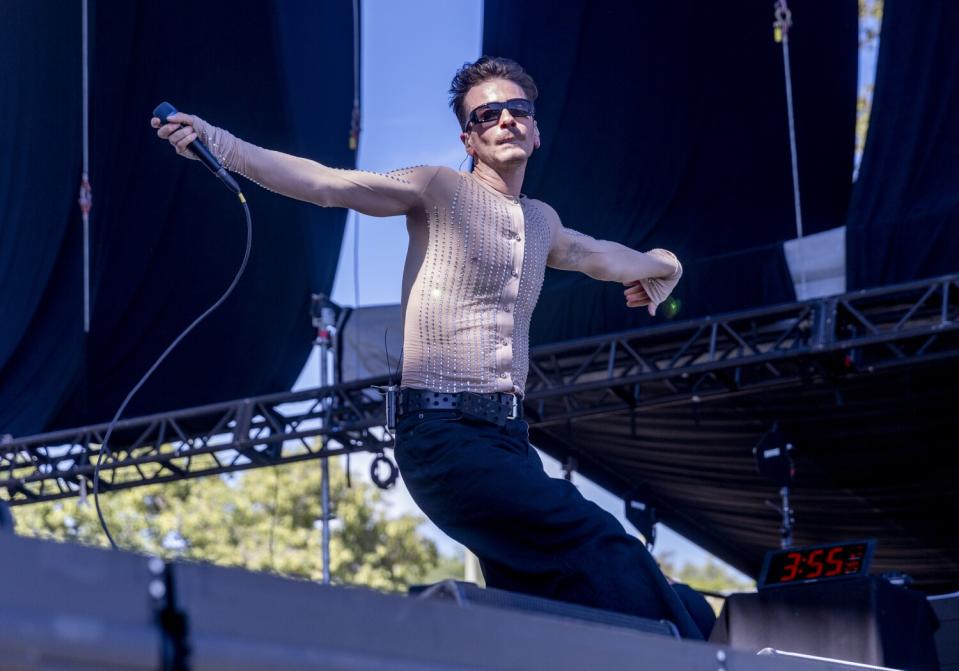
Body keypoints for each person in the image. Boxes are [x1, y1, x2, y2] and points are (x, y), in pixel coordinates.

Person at [152, 56, 699, 637]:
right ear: (470, 137)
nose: (507, 120)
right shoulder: (438, 188)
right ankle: (700, 644)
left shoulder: (542, 222)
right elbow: (327, 184)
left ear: (536, 129)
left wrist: (666, 265)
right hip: (443, 435)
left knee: (547, 600)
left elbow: (603, 255)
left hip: (509, 441)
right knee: (601, 540)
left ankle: (680, 626)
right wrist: (217, 141)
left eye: (519, 110)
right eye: (488, 114)